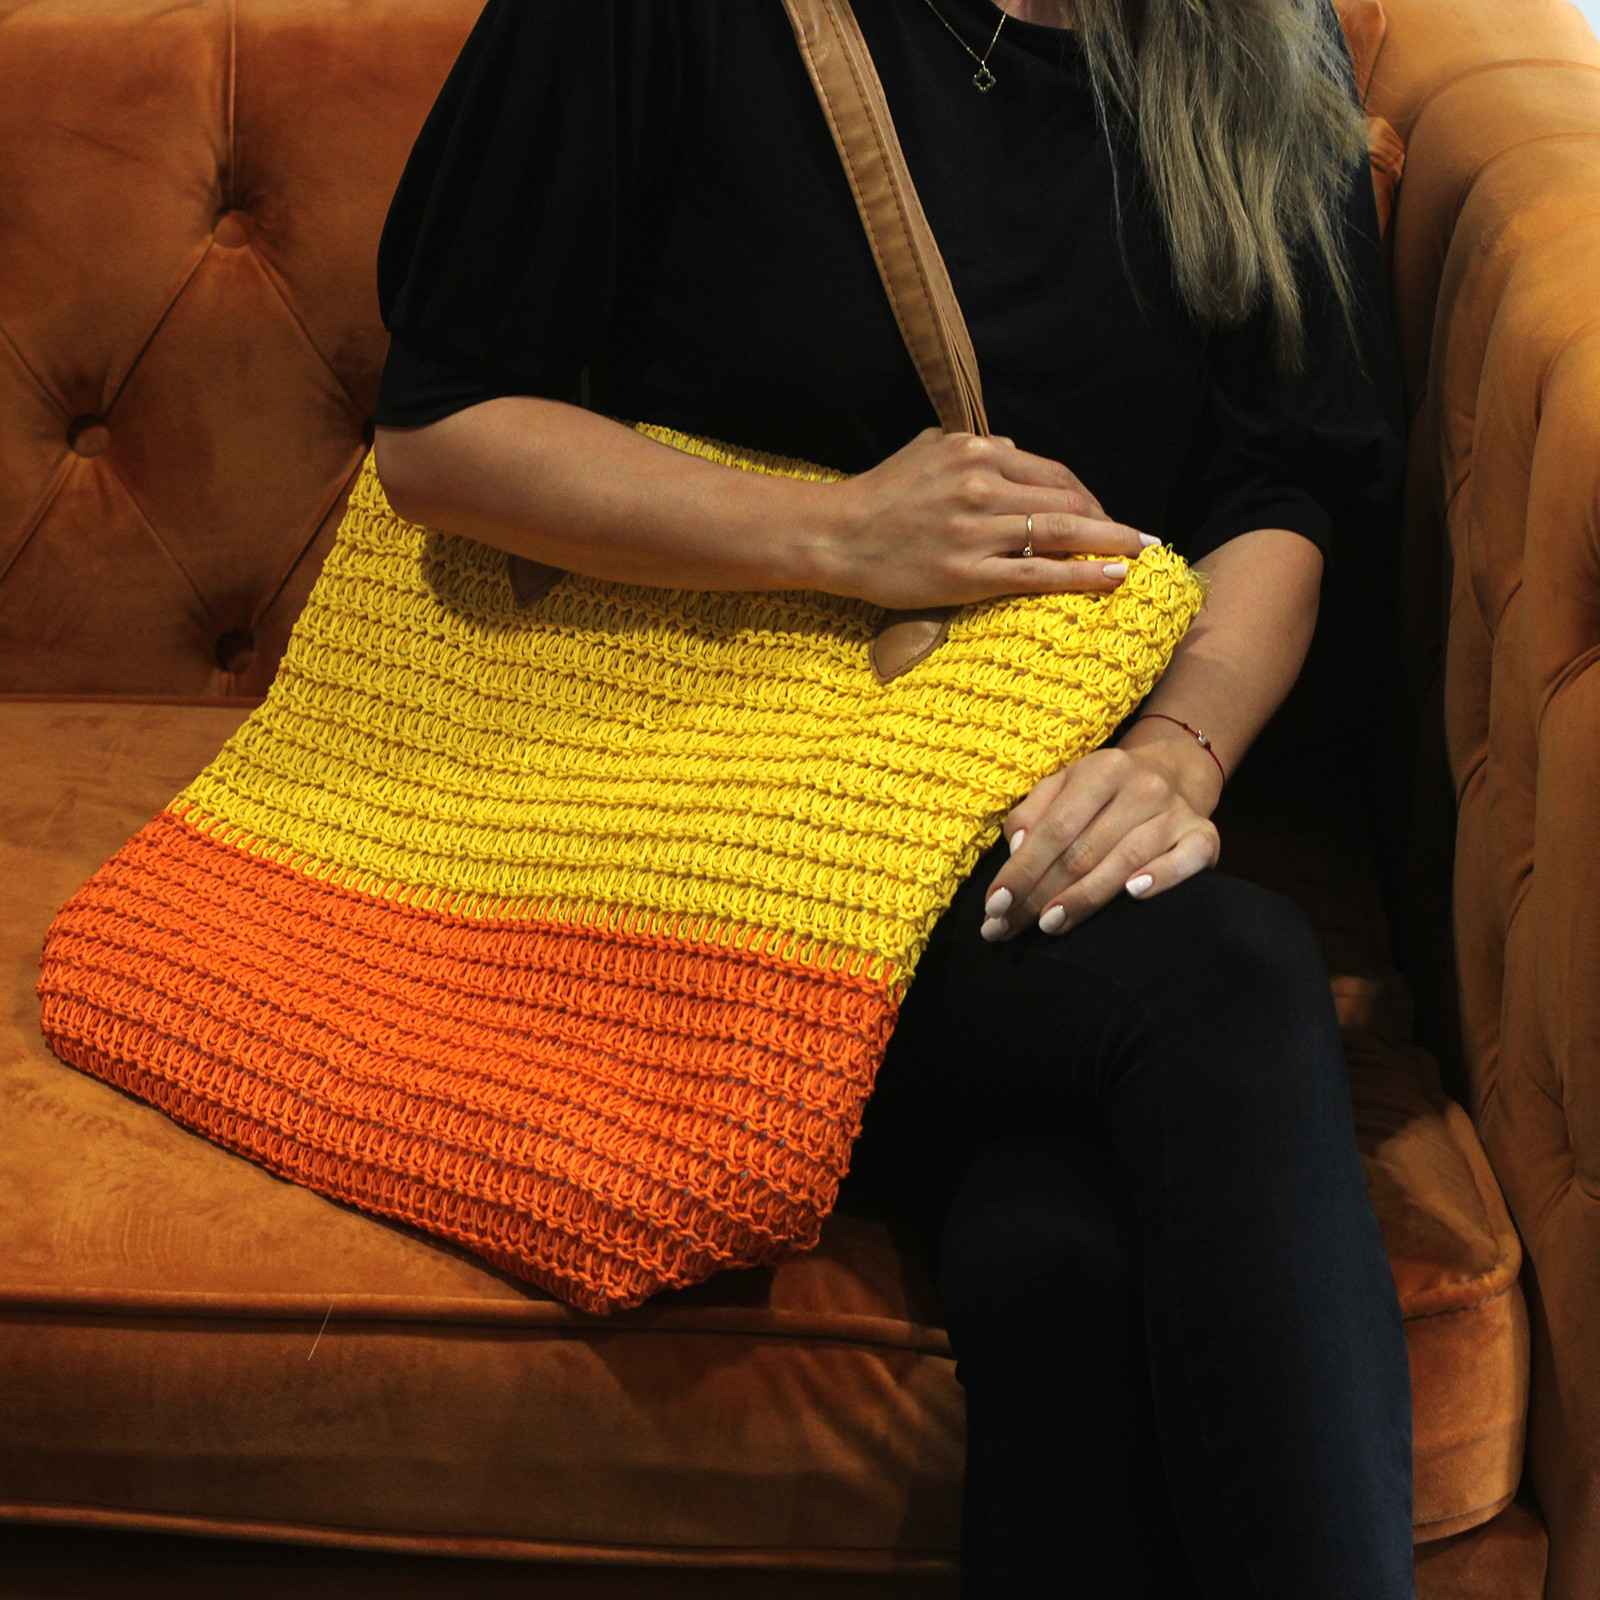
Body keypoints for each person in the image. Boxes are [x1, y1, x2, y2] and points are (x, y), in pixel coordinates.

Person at [370, 1, 1414, 1594]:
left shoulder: (1256, 36)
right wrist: (839, 536)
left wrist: (1174, 754)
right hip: (699, 806)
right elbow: (440, 434)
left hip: (1030, 787)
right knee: (1221, 979)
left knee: (1063, 1247)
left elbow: (1286, 484)